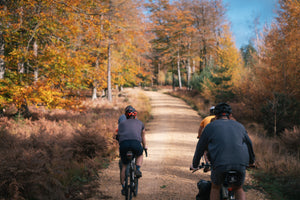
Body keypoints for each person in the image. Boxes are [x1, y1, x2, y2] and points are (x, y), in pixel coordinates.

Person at [191, 103, 255, 200]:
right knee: (238, 188)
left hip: (220, 164)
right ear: (230, 115)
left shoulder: (209, 127)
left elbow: (200, 147)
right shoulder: (240, 126)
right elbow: (249, 144)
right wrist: (251, 161)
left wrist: (195, 164)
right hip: (240, 163)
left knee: (215, 187)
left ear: (216, 116)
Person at [117, 105, 147, 195]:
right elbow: (143, 136)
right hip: (135, 144)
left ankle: (123, 186)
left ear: (126, 116)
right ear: (135, 115)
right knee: (140, 154)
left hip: (124, 145)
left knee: (124, 166)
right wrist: (145, 146)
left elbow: (119, 136)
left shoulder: (121, 124)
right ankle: (137, 168)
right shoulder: (140, 123)